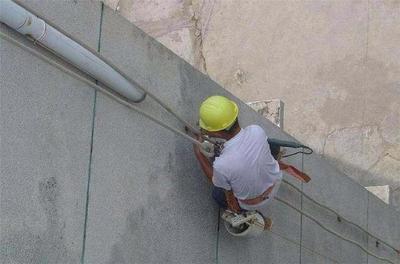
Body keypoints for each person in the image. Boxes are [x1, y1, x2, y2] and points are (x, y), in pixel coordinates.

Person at [193, 95, 282, 228]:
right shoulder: (256, 130)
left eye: (207, 129)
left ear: (217, 133)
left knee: (217, 194)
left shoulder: (222, 165)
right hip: (275, 182)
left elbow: (215, 180)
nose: (204, 130)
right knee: (268, 148)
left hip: (253, 203)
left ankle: (255, 219)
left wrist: (199, 153)